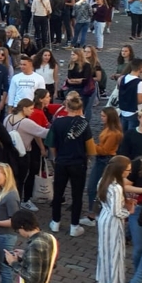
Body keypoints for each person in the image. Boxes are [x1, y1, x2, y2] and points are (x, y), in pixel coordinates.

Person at [47, 93, 94, 236]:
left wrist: (57, 157)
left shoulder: (57, 122)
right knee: (77, 195)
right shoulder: (84, 124)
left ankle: (55, 222)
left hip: (61, 162)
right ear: (80, 108)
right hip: (78, 163)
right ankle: (74, 225)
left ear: (66, 107)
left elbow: (51, 144)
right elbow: (90, 148)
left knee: (58, 193)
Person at [94, 155, 132, 283]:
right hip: (113, 223)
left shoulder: (103, 181)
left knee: (104, 252)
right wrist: (129, 211)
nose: (129, 172)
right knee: (115, 255)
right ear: (120, 170)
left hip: (104, 218)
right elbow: (117, 212)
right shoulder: (116, 187)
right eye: (127, 170)